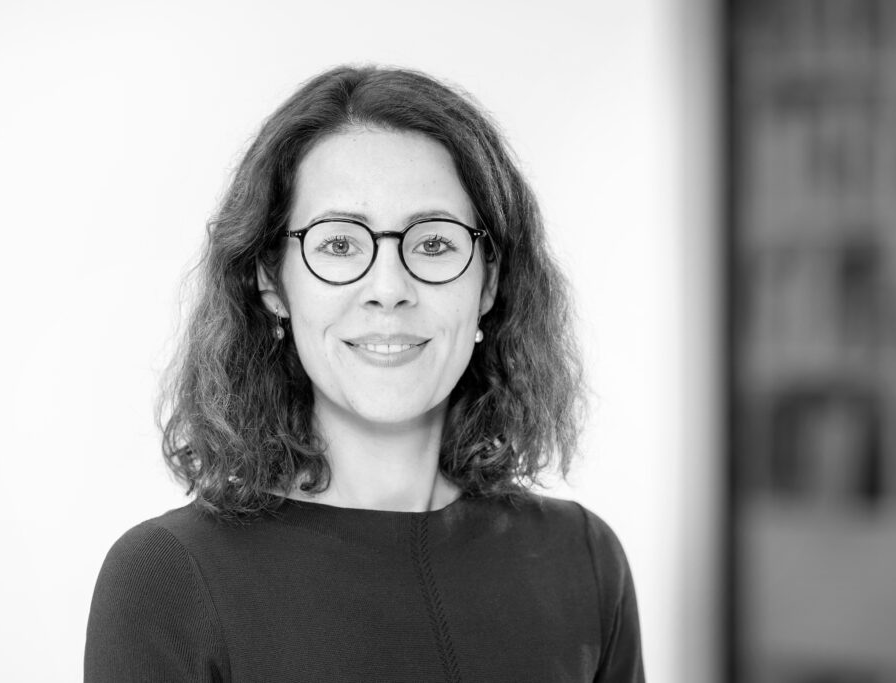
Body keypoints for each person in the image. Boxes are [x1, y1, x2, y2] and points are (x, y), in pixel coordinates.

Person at [84, 65, 644, 682]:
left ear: (488, 281)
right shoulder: (167, 580)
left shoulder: (583, 561)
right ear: (271, 280)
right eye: (339, 244)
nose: (389, 288)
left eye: (433, 243)